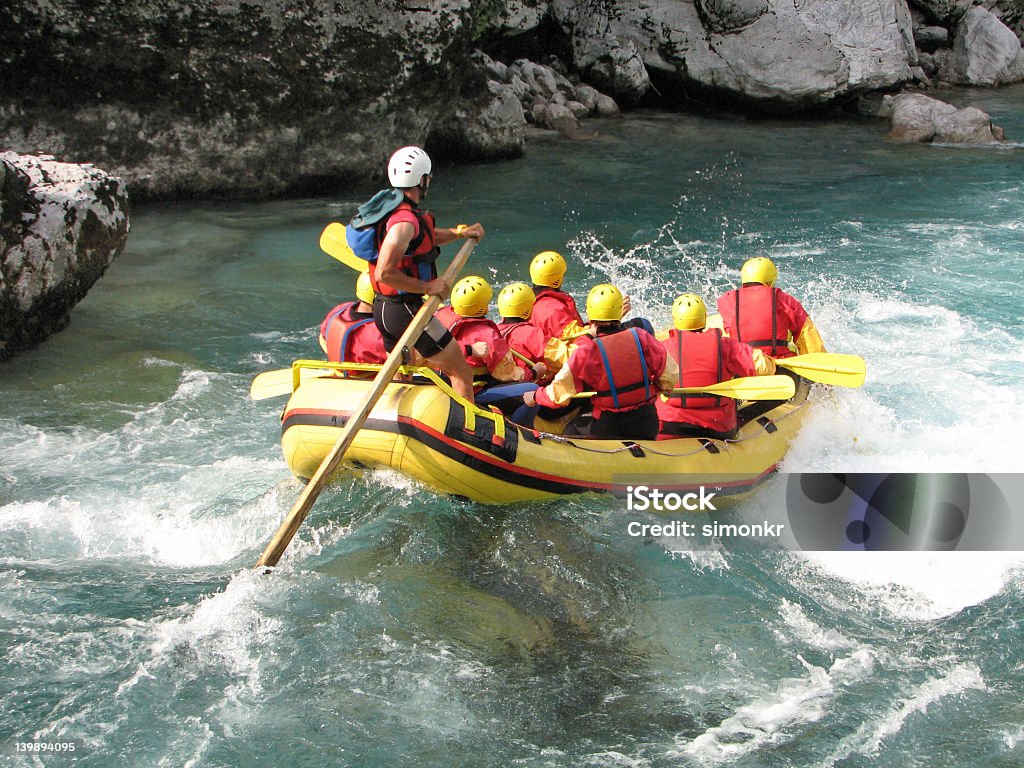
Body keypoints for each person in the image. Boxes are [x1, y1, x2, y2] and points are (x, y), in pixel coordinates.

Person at [369, 146, 485, 401]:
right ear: (421, 179)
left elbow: (425, 238)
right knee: (462, 373)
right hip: (405, 310)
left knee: (404, 370)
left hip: (384, 310)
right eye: (428, 177)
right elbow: (384, 273)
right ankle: (467, 434)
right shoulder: (404, 222)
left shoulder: (394, 211)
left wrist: (459, 233)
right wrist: (428, 288)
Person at [524, 284, 677, 440]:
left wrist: (535, 396)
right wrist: (654, 391)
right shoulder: (641, 337)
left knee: (571, 430)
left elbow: (559, 393)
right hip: (647, 422)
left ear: (590, 314)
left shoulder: (586, 350)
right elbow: (670, 376)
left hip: (610, 426)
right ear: (619, 311)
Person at [657, 293, 776, 441]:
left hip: (670, 426)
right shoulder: (726, 346)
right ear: (705, 318)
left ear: (675, 321)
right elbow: (764, 368)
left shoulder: (661, 349)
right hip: (717, 428)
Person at [435, 276, 539, 426]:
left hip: (442, 384)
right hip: (472, 393)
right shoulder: (487, 335)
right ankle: (521, 431)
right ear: (484, 307)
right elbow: (507, 373)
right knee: (533, 391)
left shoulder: (440, 316)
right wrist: (534, 372)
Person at [528, 250, 653, 340]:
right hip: (572, 357)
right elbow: (576, 340)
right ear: (558, 278)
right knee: (641, 325)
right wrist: (611, 319)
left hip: (561, 352)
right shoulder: (553, 309)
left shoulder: (527, 300)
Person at [715, 256, 826, 359]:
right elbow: (809, 341)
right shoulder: (785, 300)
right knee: (790, 344)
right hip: (779, 364)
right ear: (770, 281)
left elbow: (727, 332)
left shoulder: (728, 300)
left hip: (743, 365)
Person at [495, 282, 567, 383]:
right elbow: (562, 358)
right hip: (530, 386)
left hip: (506, 384)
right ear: (528, 308)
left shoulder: (495, 332)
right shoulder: (530, 334)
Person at [319, 271, 387, 366]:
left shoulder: (340, 310)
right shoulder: (378, 333)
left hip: (338, 373)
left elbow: (322, 337)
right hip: (369, 379)